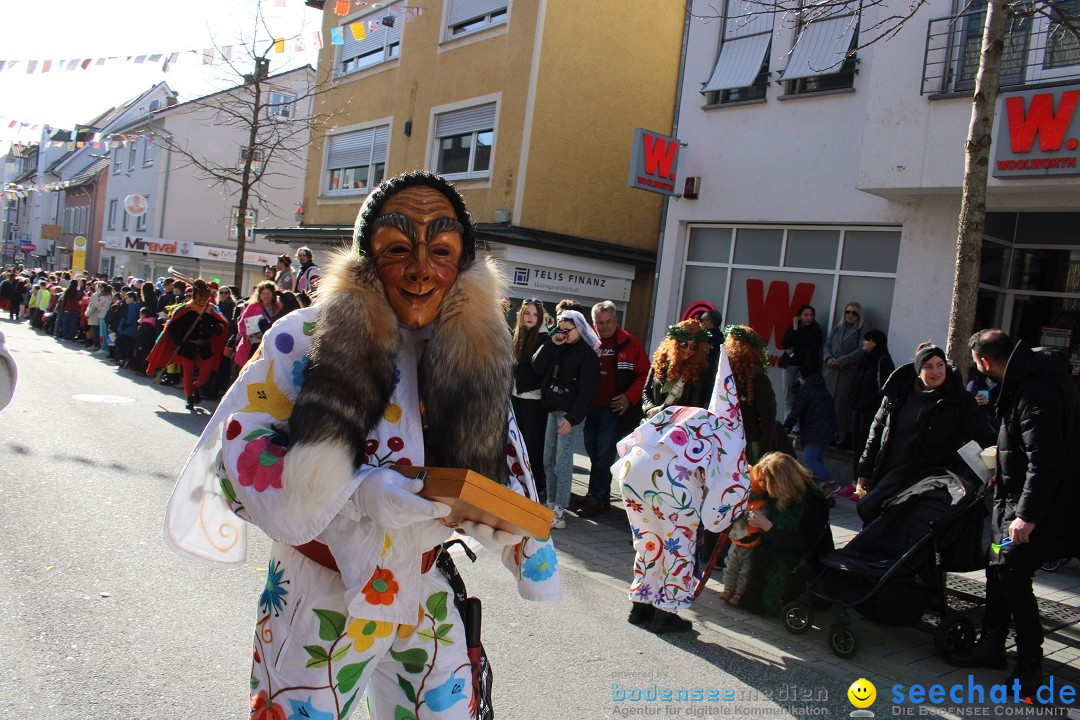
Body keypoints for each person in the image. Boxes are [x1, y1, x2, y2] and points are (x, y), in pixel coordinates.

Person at [165, 171, 559, 720]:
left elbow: (503, 452)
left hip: (426, 589)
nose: (422, 269)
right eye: (399, 248)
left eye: (441, 250)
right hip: (319, 592)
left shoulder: (471, 347)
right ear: (366, 260)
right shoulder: (302, 337)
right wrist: (358, 491)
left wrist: (521, 532)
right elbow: (240, 449)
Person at [949, 330, 1080, 694]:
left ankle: (1029, 665)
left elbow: (1046, 459)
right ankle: (992, 643)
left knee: (1012, 575)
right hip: (1009, 504)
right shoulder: (1025, 380)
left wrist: (1028, 516)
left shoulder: (1035, 390)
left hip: (1029, 512)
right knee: (996, 566)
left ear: (984, 362)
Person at [855, 343, 995, 522]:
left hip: (930, 482)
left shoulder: (960, 400)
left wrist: (981, 474)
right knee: (870, 514)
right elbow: (876, 430)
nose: (936, 372)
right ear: (918, 370)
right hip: (891, 473)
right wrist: (864, 469)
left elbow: (981, 438)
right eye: (928, 367)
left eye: (940, 365)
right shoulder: (898, 394)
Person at [737, 452, 833, 617]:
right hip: (787, 550)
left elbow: (798, 543)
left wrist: (767, 526)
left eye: (766, 482)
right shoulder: (781, 496)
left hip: (805, 562)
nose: (764, 486)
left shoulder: (811, 502)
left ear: (780, 482)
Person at [579, 301, 649, 517]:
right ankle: (601, 496)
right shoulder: (589, 341)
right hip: (590, 407)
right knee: (593, 451)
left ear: (616, 321)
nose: (605, 326)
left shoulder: (630, 342)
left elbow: (645, 373)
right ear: (594, 323)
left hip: (613, 409)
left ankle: (596, 498)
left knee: (604, 454)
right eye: (600, 322)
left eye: (609, 321)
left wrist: (629, 397)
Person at [533, 310, 600, 529]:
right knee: (548, 460)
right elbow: (537, 365)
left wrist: (571, 419)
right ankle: (551, 505)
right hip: (552, 410)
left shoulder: (588, 355)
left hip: (570, 414)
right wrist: (552, 344)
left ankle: (559, 512)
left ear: (579, 328)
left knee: (561, 463)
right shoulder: (558, 347)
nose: (563, 334)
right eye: (560, 329)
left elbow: (587, 393)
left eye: (567, 330)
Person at [147, 279, 229, 409]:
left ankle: (195, 387)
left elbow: (221, 322)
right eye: (200, 296)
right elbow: (172, 326)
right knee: (188, 372)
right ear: (195, 295)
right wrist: (177, 338)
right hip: (188, 346)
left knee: (206, 374)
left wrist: (219, 328)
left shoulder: (211, 309)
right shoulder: (185, 309)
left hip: (204, 346)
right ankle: (189, 398)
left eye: (205, 297)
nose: (203, 299)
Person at [510, 299, 550, 503]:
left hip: (534, 401)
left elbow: (537, 371)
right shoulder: (517, 334)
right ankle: (520, 481)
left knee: (532, 446)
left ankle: (536, 486)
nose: (530, 318)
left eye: (535, 315)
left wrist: (518, 371)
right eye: (527, 313)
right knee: (518, 443)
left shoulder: (544, 339)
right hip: (516, 397)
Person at [725, 325, 777, 464]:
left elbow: (768, 421)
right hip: (725, 444)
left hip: (749, 447)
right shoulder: (725, 377)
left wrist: (763, 457)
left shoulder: (759, 380)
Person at [719, 465, 768, 607]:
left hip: (751, 544)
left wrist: (746, 515)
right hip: (736, 540)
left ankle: (739, 593)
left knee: (745, 571)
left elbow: (763, 516)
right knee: (730, 565)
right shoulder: (742, 499)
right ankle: (728, 588)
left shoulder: (762, 503)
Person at [640, 319, 711, 418]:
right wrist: (649, 409)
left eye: (693, 346)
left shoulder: (699, 370)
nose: (688, 350)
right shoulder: (660, 362)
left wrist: (665, 411)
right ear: (675, 344)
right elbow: (646, 392)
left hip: (681, 425)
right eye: (684, 344)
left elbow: (696, 406)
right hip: (655, 422)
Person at [782, 366, 838, 490]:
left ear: (804, 378)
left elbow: (796, 411)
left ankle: (828, 482)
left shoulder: (806, 390)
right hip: (828, 431)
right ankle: (819, 489)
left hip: (814, 431)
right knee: (818, 460)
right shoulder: (823, 390)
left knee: (809, 458)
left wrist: (786, 426)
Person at [823, 302, 868, 449]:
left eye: (854, 313)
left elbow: (860, 351)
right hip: (831, 372)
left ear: (859, 315)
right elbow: (827, 345)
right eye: (848, 312)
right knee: (829, 404)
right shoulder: (838, 328)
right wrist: (828, 358)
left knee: (844, 406)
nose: (850, 315)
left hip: (848, 373)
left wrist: (841, 361)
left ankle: (846, 438)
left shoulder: (862, 330)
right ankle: (830, 435)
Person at [779, 304, 824, 416]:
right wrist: (794, 329)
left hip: (804, 369)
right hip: (789, 366)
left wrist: (794, 350)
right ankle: (787, 426)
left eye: (811, 315)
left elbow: (812, 350)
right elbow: (785, 344)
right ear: (799, 316)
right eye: (806, 315)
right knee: (788, 396)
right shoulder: (792, 328)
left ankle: (797, 428)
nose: (809, 318)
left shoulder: (816, 331)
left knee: (801, 397)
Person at [234, 281, 280, 369]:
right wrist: (247, 334)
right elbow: (241, 323)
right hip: (251, 345)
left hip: (268, 345)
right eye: (263, 293)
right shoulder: (252, 307)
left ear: (273, 295)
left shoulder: (278, 308)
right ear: (259, 294)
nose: (266, 296)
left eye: (268, 293)